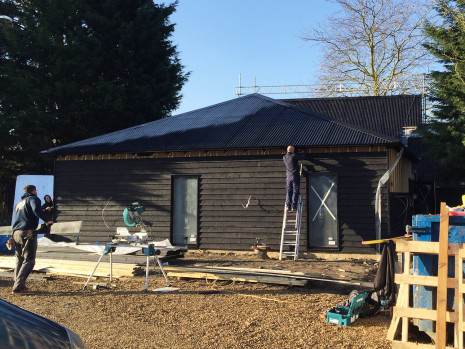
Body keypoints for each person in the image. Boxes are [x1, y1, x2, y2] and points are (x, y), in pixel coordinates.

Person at [11, 185, 53, 294]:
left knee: (19, 260)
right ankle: (18, 287)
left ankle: (17, 283)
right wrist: (47, 221)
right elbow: (36, 210)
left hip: (16, 233)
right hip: (27, 233)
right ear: (34, 191)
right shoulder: (33, 199)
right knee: (29, 260)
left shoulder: (19, 203)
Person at [283, 145, 306, 211]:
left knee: (289, 191)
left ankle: (288, 206)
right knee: (295, 191)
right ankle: (294, 207)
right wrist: (304, 151)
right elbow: (303, 156)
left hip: (288, 176)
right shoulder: (293, 156)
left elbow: (291, 155)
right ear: (292, 150)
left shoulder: (284, 157)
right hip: (295, 176)